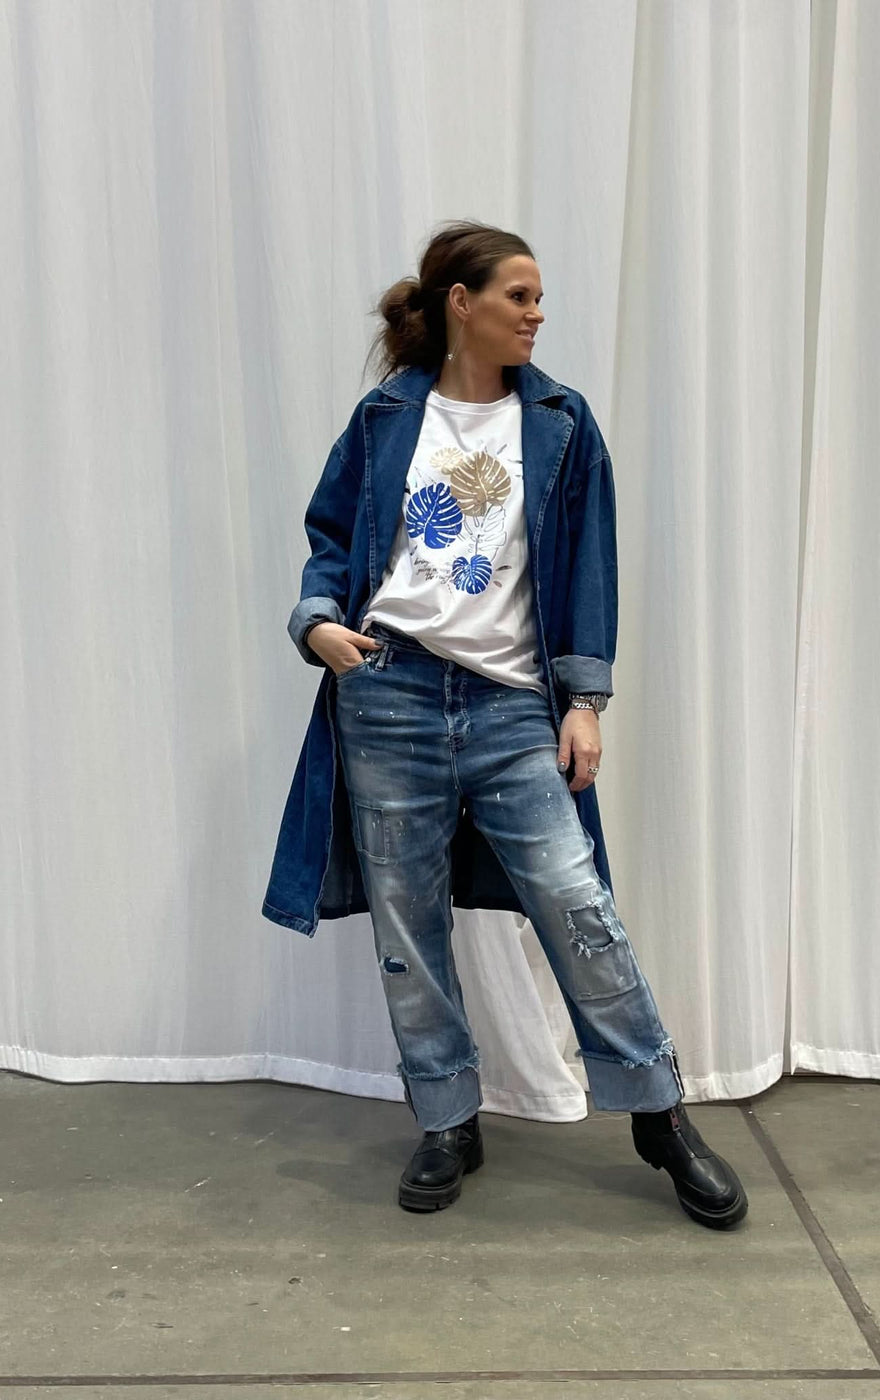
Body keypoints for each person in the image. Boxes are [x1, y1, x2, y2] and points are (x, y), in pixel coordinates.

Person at [263, 219, 747, 1230]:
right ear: (461, 302)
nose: (536, 314)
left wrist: (583, 700)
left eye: (537, 298)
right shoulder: (386, 417)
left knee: (576, 904)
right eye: (518, 296)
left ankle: (657, 1113)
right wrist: (315, 622)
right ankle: (447, 1117)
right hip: (387, 694)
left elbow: (590, 565)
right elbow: (330, 534)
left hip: (508, 706)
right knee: (407, 926)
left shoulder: (560, 423)